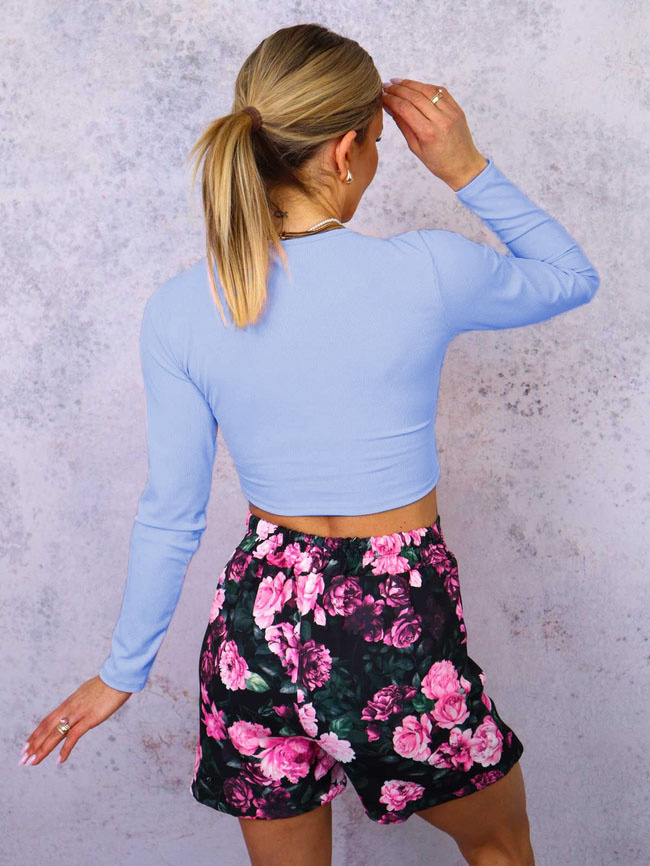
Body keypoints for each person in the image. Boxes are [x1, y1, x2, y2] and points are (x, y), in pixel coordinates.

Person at [19, 23, 599, 866]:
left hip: (252, 626)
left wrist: (121, 671)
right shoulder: (428, 269)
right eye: (376, 145)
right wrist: (465, 166)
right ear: (344, 150)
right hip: (389, 620)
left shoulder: (181, 306)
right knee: (502, 849)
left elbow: (171, 513)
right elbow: (573, 277)